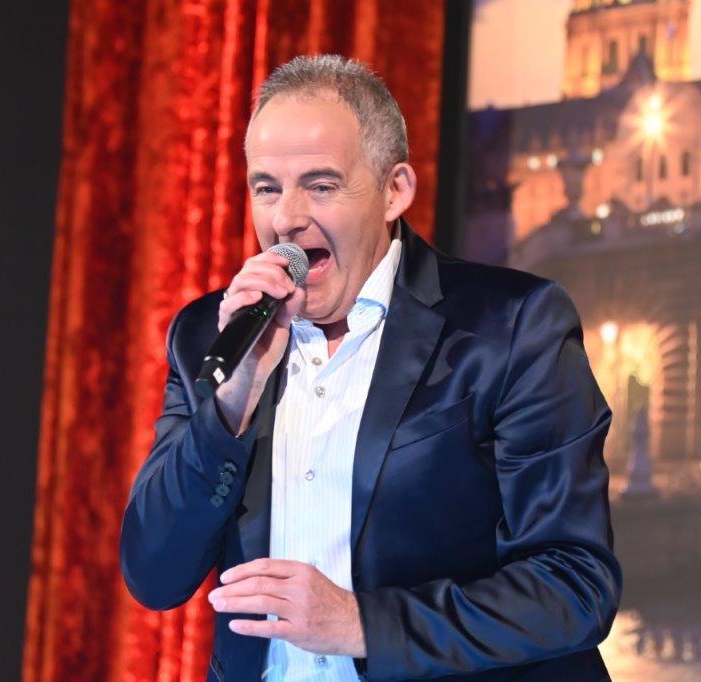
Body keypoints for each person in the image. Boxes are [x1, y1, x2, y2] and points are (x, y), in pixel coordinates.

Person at [120, 55, 621, 681]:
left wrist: (362, 624)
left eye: (321, 186)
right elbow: (154, 572)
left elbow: (574, 586)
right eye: (266, 187)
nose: (285, 218)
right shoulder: (210, 334)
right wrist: (231, 404)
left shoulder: (510, 326)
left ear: (394, 191)